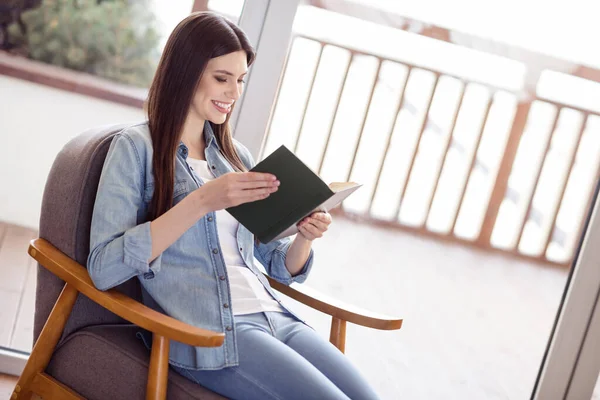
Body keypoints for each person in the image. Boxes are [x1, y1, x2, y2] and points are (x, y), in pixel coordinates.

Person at [87, 11, 380, 400]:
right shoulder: (136, 149)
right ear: (185, 73)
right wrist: (202, 200)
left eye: (240, 80)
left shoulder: (233, 154)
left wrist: (303, 239)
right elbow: (104, 268)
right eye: (222, 79)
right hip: (215, 332)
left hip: (276, 317)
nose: (234, 93)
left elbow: (272, 263)